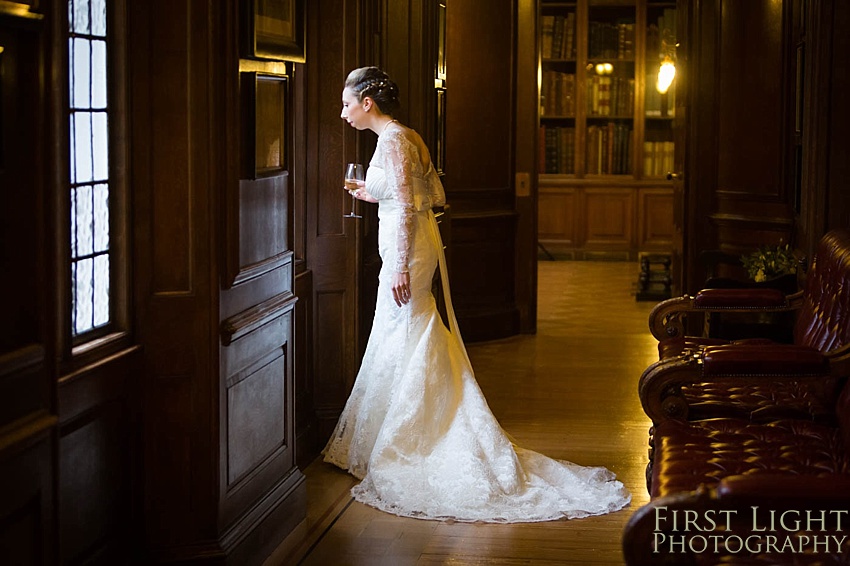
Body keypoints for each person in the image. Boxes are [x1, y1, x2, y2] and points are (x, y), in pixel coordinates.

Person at [322, 66, 630, 522]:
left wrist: (402, 264)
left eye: (347, 103)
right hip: (406, 243)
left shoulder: (392, 140)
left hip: (407, 251)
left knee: (409, 324)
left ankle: (424, 435)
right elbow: (428, 196)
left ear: (368, 103)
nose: (343, 112)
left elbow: (409, 203)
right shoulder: (406, 137)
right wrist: (373, 193)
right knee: (402, 328)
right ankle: (397, 429)